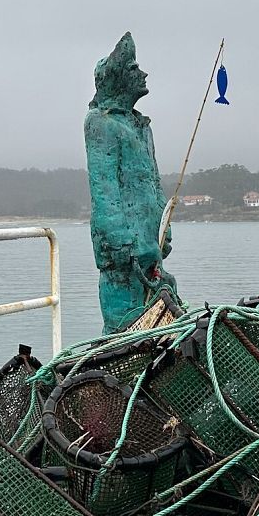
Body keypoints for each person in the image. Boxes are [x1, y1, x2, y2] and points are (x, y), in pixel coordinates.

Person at [84, 33, 178, 333]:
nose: (143, 74)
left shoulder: (142, 126)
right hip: (124, 255)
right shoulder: (101, 122)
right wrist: (122, 245)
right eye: (134, 69)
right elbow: (104, 189)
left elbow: (153, 182)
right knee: (123, 328)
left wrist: (164, 227)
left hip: (151, 247)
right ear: (118, 78)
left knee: (161, 325)